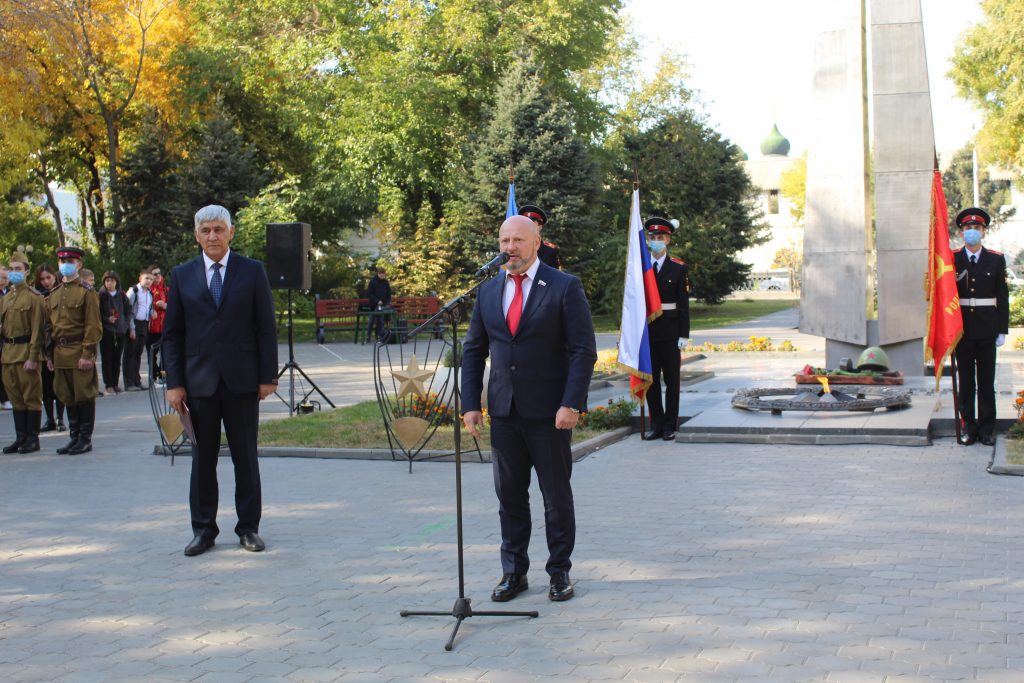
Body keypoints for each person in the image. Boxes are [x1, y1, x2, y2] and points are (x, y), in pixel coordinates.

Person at [462, 214, 597, 603]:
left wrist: (572, 402)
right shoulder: (488, 292)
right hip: (504, 412)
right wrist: (471, 403)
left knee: (555, 497)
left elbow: (582, 350)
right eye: (505, 240)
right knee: (509, 497)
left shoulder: (563, 286)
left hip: (549, 414)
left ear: (537, 242)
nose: (510, 248)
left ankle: (559, 572)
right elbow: (474, 351)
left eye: (518, 240)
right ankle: (513, 573)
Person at [163, 205, 278, 557]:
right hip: (199, 385)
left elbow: (265, 327)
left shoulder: (252, 271)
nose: (212, 236)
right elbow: (172, 334)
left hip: (242, 382)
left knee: (246, 457)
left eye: (218, 229)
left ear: (231, 233)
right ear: (196, 235)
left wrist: (267, 376)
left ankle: (248, 528)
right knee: (203, 460)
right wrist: (174, 383)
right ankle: (203, 530)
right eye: (206, 230)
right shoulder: (182, 275)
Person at [953, 207, 1009, 446]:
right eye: (968, 228)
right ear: (962, 232)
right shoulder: (952, 259)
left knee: (987, 382)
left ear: (983, 232)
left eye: (976, 228)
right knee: (966, 383)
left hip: (987, 329)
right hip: (962, 331)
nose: (972, 232)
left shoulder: (995, 258)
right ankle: (969, 428)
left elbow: (1002, 296)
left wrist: (1002, 330)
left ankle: (987, 429)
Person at [45, 246, 102, 455]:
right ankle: (74, 436)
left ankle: (85, 438)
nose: (65, 265)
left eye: (70, 262)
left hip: (79, 350)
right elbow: (49, 327)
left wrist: (88, 354)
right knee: (66, 394)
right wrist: (49, 355)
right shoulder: (54, 294)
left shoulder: (87, 292)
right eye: (62, 262)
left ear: (79, 265)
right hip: (60, 351)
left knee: (83, 394)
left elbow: (93, 326)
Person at [643, 216, 690, 441]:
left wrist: (684, 334)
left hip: (671, 333)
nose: (656, 241)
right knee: (650, 382)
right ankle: (656, 424)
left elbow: (684, 305)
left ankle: (670, 425)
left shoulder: (678, 268)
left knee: (672, 381)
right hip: (649, 333)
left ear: (668, 239)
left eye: (660, 237)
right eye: (652, 237)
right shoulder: (642, 268)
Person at [0, 252, 45, 454]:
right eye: (12, 269)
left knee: (30, 396)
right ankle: (20, 437)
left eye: (18, 269)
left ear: (26, 271)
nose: (14, 272)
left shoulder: (35, 297)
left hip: (26, 351)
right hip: (8, 352)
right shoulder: (7, 297)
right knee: (15, 396)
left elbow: (38, 329)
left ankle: (32, 439)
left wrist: (33, 357)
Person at [35, 263, 65, 432]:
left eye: (48, 277)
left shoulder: (62, 294)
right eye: (42, 279)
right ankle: (50, 419)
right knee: (46, 386)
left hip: (59, 345)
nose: (46, 282)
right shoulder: (37, 296)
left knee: (59, 384)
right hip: (43, 346)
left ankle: (61, 418)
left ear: (55, 276)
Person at [98, 271, 131, 395]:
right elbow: (96, 313)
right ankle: (109, 384)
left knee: (117, 359)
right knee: (107, 359)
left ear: (116, 282)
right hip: (107, 332)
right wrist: (107, 319)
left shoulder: (121, 294)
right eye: (107, 281)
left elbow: (129, 310)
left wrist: (125, 324)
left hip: (120, 331)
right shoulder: (101, 295)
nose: (109, 283)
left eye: (112, 281)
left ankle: (115, 383)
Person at [123, 269, 154, 391]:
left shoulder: (149, 293)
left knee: (138, 353)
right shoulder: (134, 291)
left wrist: (152, 312)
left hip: (144, 324)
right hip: (134, 324)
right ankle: (128, 382)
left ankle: (136, 380)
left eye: (151, 279)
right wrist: (131, 328)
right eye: (147, 278)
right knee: (129, 353)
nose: (149, 281)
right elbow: (128, 311)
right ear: (140, 278)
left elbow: (146, 308)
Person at [518, 204, 562, 269]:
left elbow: (555, 276)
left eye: (531, 222)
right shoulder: (514, 248)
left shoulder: (550, 251)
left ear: (540, 227)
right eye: (525, 222)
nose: (527, 225)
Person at [147, 265, 168, 380]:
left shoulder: (166, 289)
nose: (158, 275)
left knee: (165, 355)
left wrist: (165, 305)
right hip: (151, 328)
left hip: (165, 327)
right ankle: (154, 376)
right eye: (155, 274)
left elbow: (175, 307)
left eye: (159, 273)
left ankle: (162, 377)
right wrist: (151, 309)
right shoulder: (147, 289)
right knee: (152, 355)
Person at [365, 267, 392, 343]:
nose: (383, 277)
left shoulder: (386, 282)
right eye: (382, 275)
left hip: (382, 305)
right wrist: (377, 301)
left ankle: (380, 336)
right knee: (371, 321)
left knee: (381, 321)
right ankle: (368, 336)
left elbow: (388, 294)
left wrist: (387, 303)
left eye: (384, 275)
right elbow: (370, 294)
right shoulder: (373, 282)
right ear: (378, 274)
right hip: (373, 305)